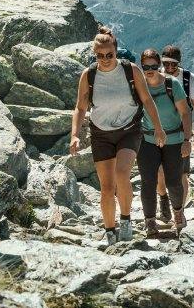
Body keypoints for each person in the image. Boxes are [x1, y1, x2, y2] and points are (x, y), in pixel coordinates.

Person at [69, 31, 166, 243]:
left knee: (122, 174)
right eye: (100, 55)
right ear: (94, 54)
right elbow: (80, 106)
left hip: (129, 130)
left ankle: (126, 221)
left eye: (109, 54)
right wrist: (75, 135)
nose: (104, 59)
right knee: (106, 187)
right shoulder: (89, 75)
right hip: (100, 134)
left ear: (116, 51)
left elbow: (147, 100)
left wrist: (158, 128)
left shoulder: (131, 71)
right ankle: (110, 231)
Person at [135, 48, 192, 236]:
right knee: (148, 182)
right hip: (148, 140)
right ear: (141, 66)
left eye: (153, 65)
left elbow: (185, 112)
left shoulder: (171, 84)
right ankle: (150, 221)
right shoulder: (139, 85)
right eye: (146, 66)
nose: (150, 69)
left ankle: (178, 212)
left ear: (159, 65)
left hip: (174, 140)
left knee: (174, 181)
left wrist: (187, 140)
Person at [157, 44, 194, 221]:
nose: (170, 68)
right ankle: (163, 199)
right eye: (166, 64)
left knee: (182, 174)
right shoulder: (155, 76)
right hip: (159, 132)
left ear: (179, 63)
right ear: (162, 61)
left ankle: (180, 211)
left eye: (173, 65)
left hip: (181, 133)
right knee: (160, 172)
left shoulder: (187, 79)